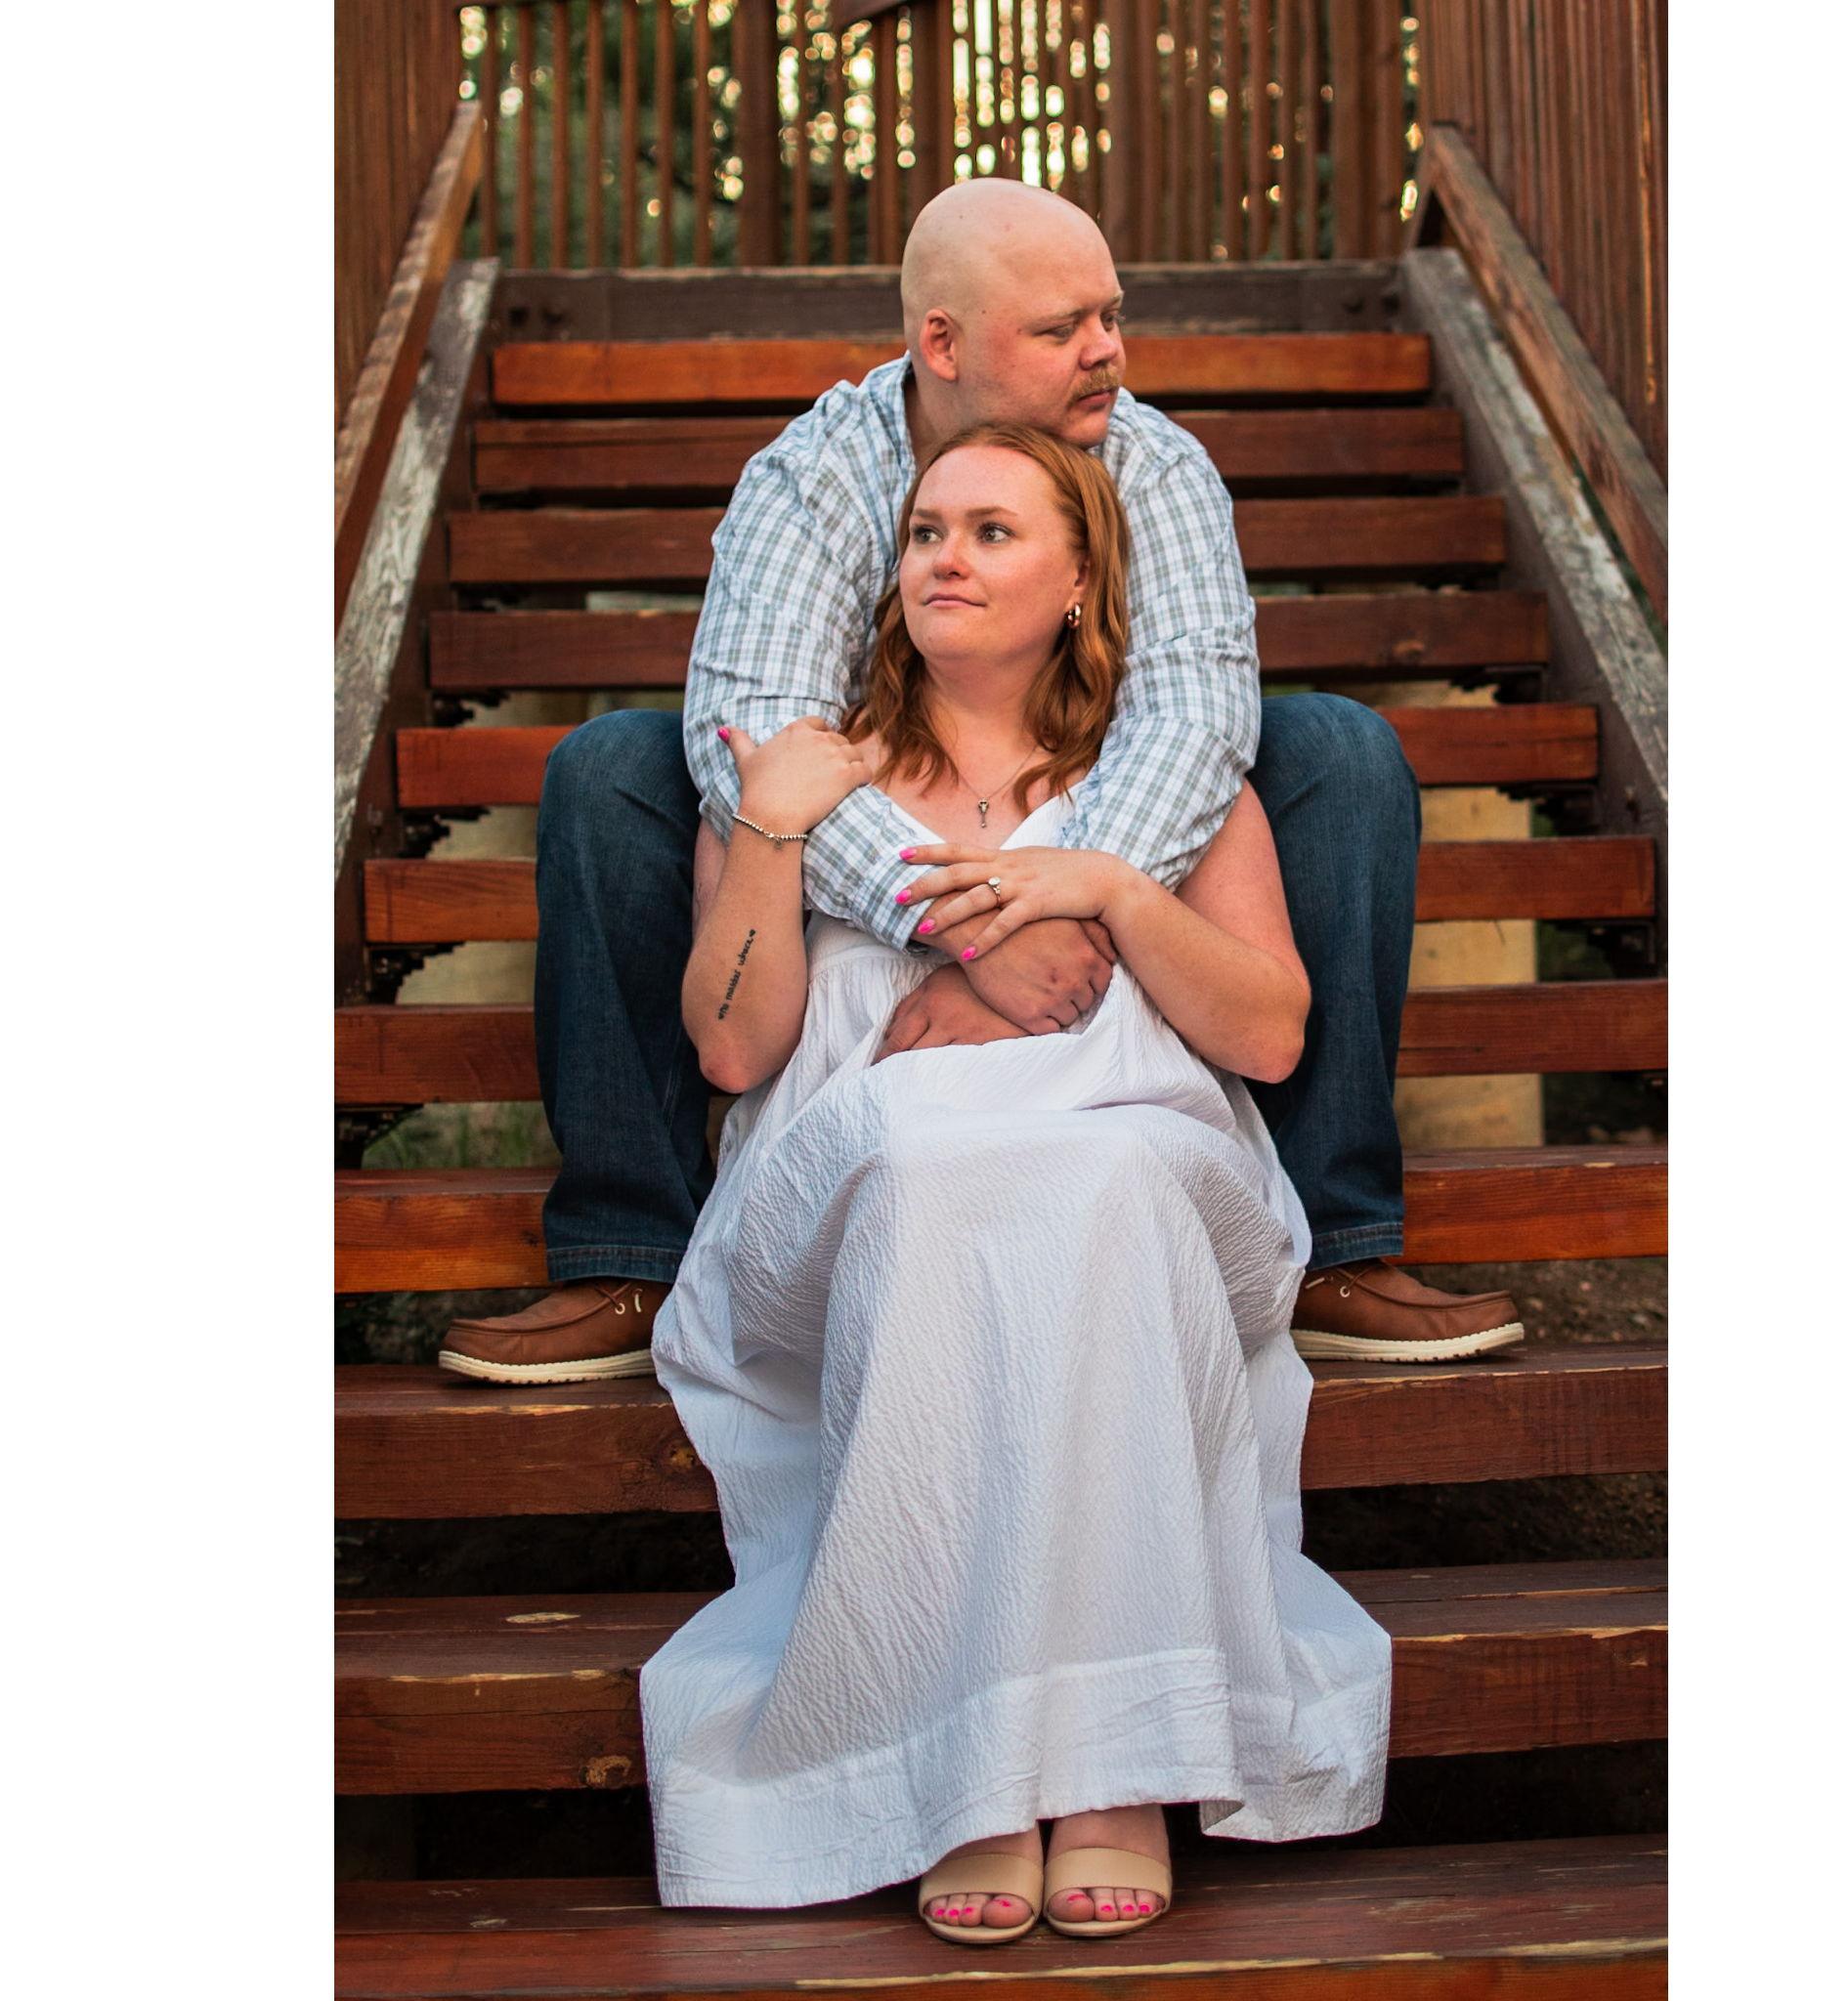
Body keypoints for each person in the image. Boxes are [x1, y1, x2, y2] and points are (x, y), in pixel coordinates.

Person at [437, 176, 1523, 1384]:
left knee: (1334, 752)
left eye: (1110, 315)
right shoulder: (816, 476)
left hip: (1076, 796)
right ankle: (631, 1249)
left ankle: (1335, 1245)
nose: (1108, 350)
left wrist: (1046, 910)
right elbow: (753, 727)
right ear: (939, 345)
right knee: (613, 771)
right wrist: (959, 931)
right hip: (876, 808)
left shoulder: (1152, 465)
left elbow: (1190, 716)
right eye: (1061, 329)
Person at [639, 420, 1392, 1939]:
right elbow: (734, 1053)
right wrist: (773, 829)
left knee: (1098, 1185)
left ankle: (1116, 1764)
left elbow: (1266, 1027)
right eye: (927, 531)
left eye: (991, 532)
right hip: (864, 1178)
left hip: (1143, 1168)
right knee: (932, 1172)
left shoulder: (1166, 792)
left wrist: (1112, 890)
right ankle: (961, 1762)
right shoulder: (816, 781)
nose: (945, 557)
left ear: (1077, 584)